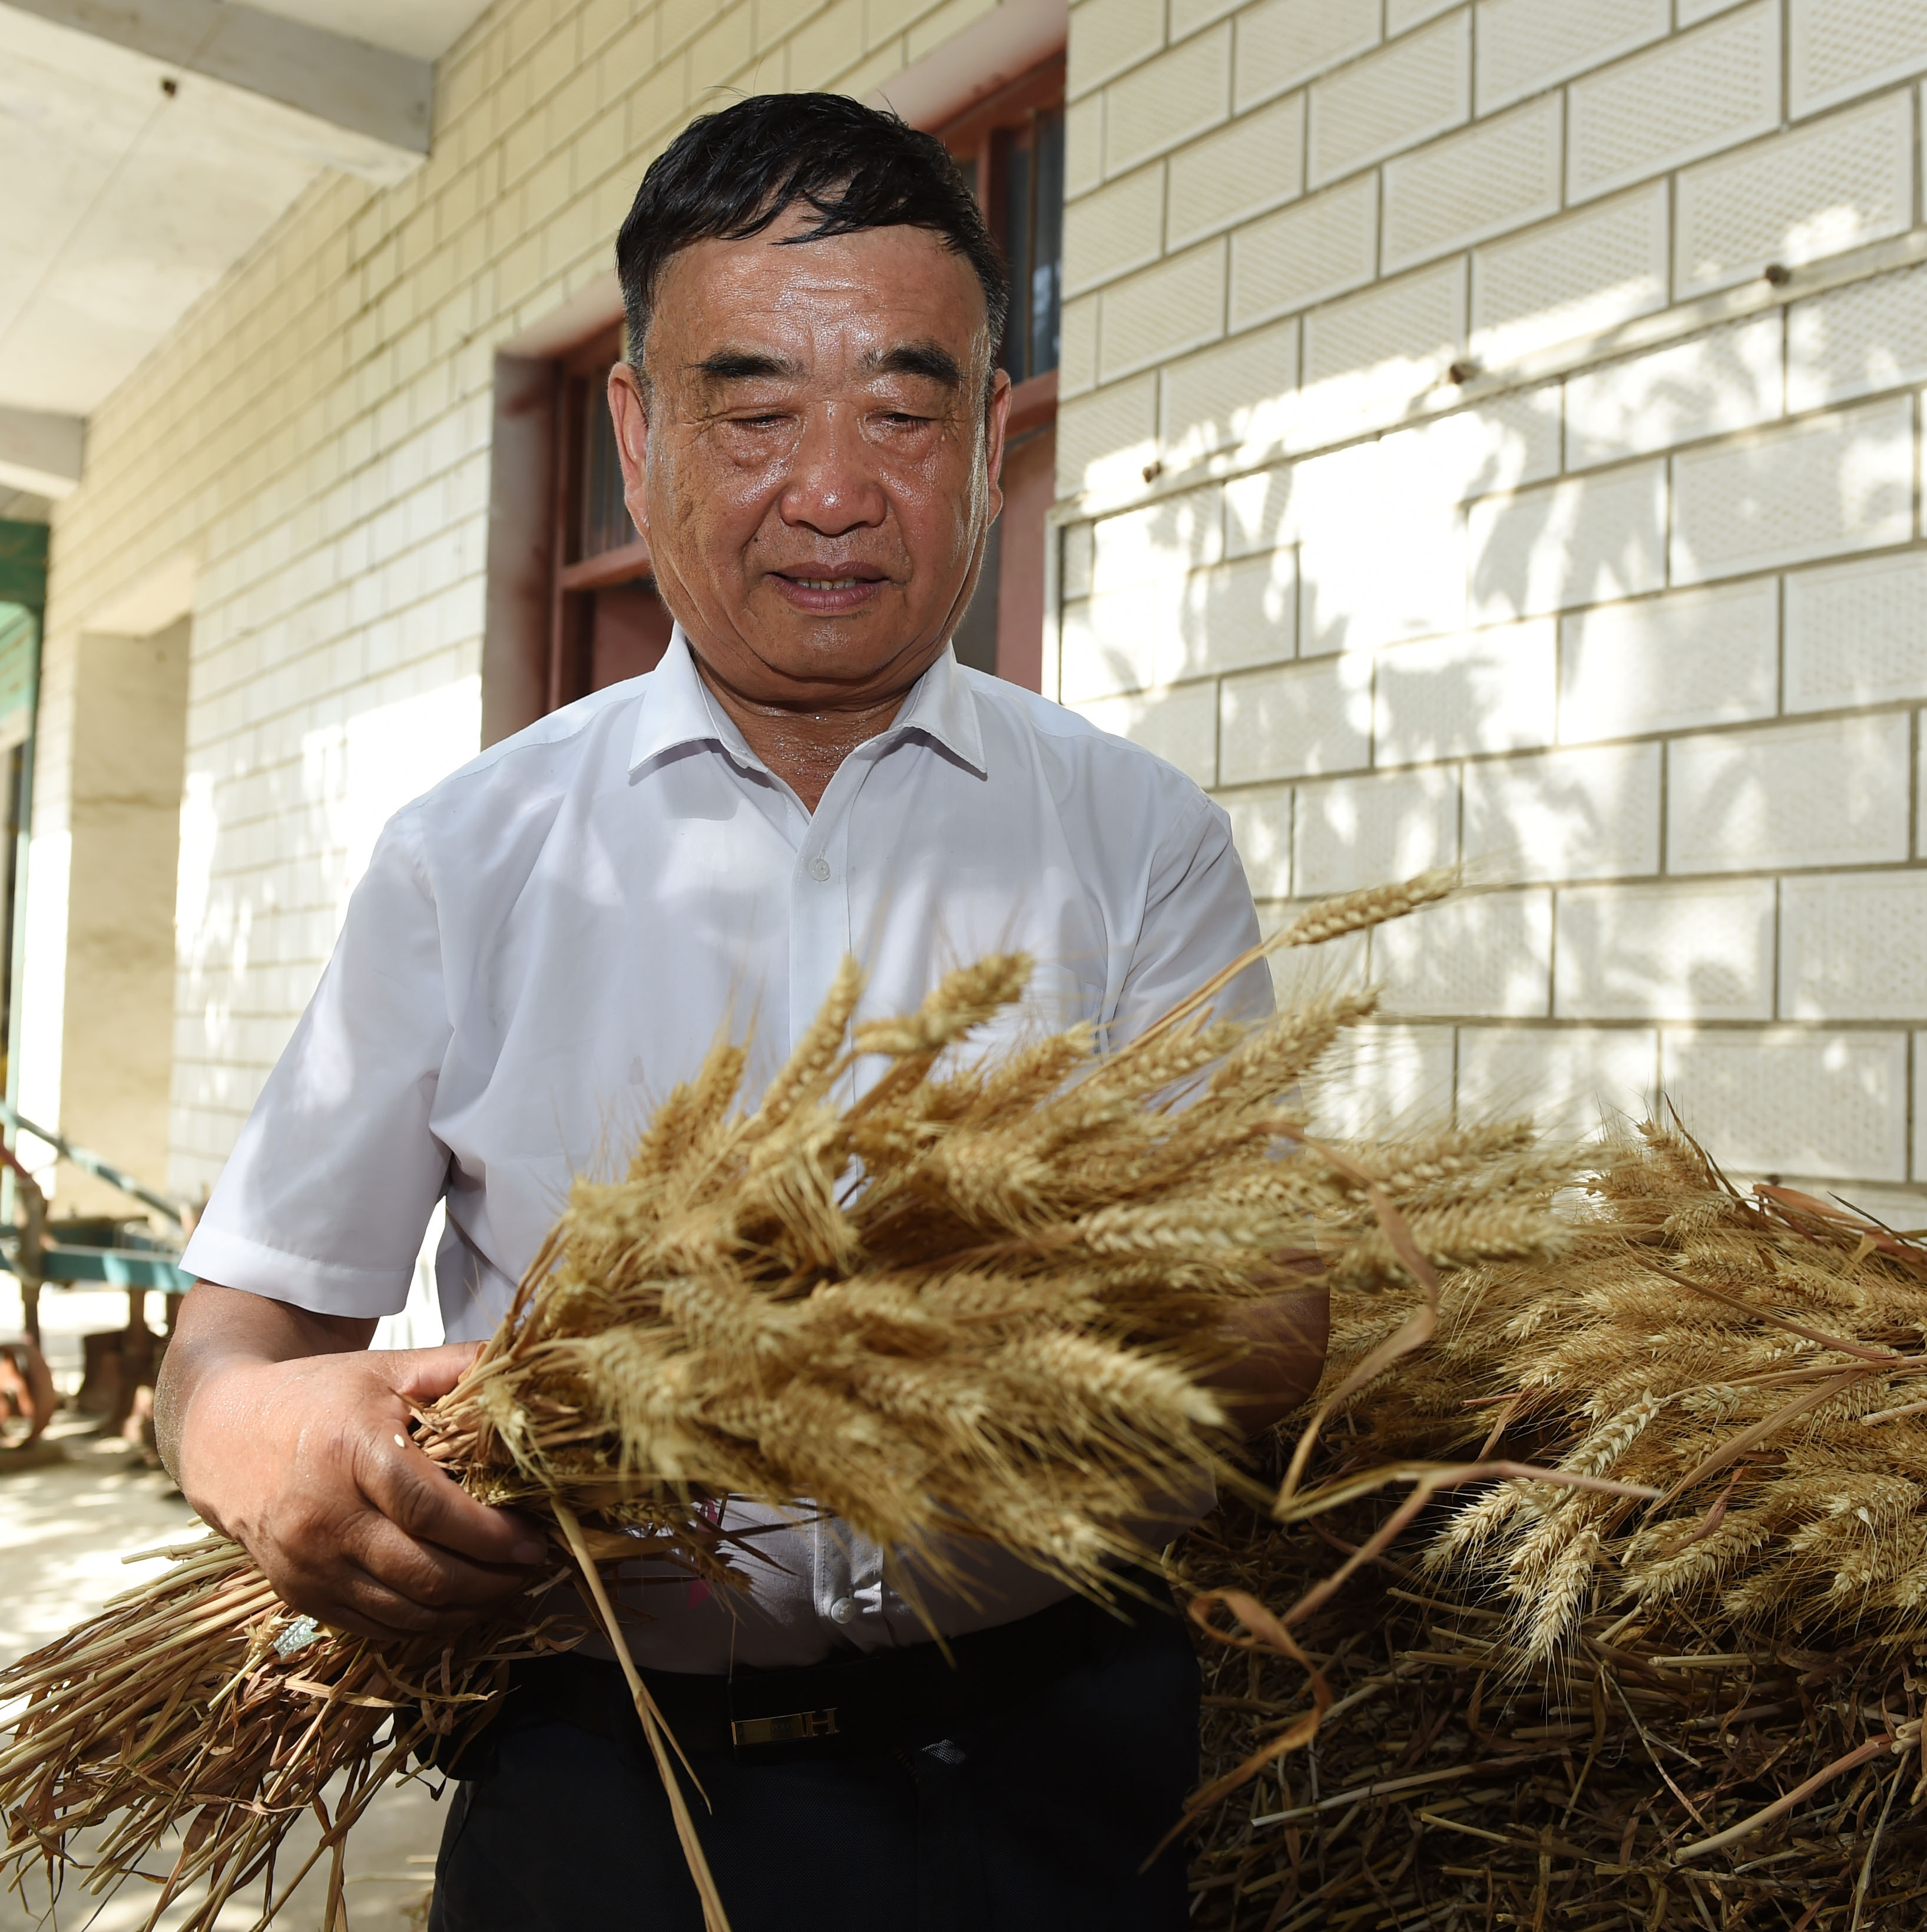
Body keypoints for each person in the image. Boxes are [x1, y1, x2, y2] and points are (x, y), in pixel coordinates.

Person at [155, 90, 1327, 1931]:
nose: (833, 490)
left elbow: (1269, 1316)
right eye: (757, 409)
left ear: (993, 434)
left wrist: (905, 1371)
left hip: (1060, 1781)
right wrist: (259, 1449)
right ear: (637, 427)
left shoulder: (1139, 840)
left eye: (904, 407)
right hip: (602, 1790)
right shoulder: (470, 857)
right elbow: (228, 1348)